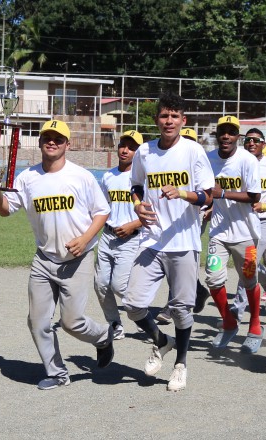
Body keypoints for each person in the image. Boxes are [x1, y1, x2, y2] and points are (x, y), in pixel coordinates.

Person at [0, 120, 114, 390]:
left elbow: (102, 212)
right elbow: (5, 210)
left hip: (77, 259)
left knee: (71, 322)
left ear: (68, 144)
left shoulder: (81, 176)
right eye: (47, 137)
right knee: (37, 321)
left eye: (58, 138)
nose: (51, 142)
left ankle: (103, 337)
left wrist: (85, 238)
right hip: (44, 259)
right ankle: (57, 373)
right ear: (41, 142)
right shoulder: (27, 178)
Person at [124, 92, 215, 392]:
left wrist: (183, 193)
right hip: (151, 240)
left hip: (184, 242)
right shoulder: (145, 152)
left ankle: (181, 364)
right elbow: (135, 185)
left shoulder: (193, 151)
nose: (169, 121)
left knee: (181, 309)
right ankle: (162, 342)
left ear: (183, 120)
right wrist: (137, 204)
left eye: (175, 116)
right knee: (134, 305)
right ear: (156, 119)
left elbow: (207, 195)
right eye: (164, 115)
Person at [205, 115, 264, 353]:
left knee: (249, 282)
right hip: (218, 232)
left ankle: (255, 325)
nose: (226, 136)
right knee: (213, 278)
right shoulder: (207, 159)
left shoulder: (247, 161)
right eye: (222, 132)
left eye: (231, 132)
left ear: (238, 136)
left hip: (245, 233)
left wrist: (222, 194)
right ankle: (229, 323)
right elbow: (205, 190)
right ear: (217, 135)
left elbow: (254, 196)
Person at [154, 126, 212, 323]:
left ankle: (173, 306)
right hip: (170, 217)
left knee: (180, 256)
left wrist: (210, 208)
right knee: (175, 262)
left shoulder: (198, 158)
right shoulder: (169, 159)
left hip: (193, 215)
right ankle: (197, 291)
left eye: (190, 138)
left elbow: (209, 191)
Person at [94, 130, 144, 340]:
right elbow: (102, 207)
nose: (125, 150)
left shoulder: (143, 178)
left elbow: (155, 211)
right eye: (123, 145)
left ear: (139, 152)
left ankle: (143, 314)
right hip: (108, 236)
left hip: (130, 238)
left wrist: (134, 225)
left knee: (119, 285)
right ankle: (115, 323)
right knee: (100, 284)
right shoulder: (108, 176)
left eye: (131, 147)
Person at [230, 128, 266, 319]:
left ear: (264, 144)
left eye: (256, 140)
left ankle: (237, 311)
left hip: (265, 220)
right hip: (242, 220)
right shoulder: (237, 162)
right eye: (248, 140)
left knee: (248, 264)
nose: (251, 143)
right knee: (246, 263)